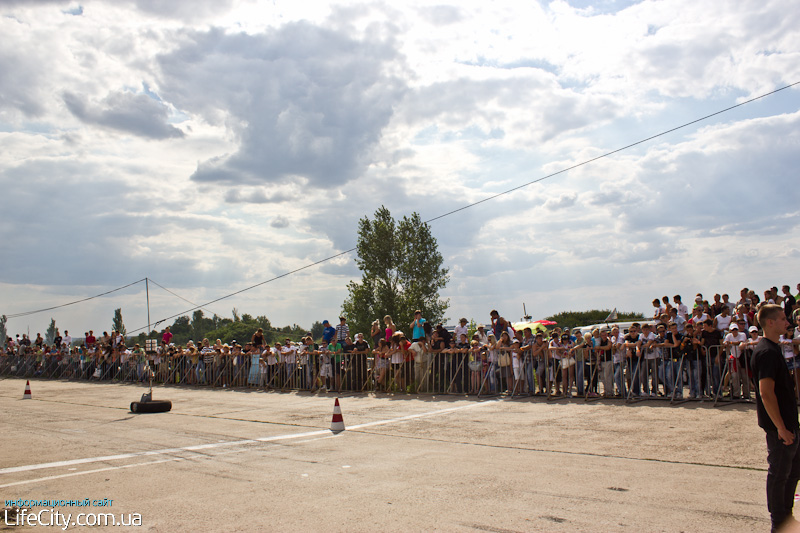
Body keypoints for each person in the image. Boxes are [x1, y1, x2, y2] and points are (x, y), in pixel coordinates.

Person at [751, 304, 800, 532]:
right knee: (780, 473)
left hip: (789, 423)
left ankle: (786, 517)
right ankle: (779, 522)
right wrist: (780, 427)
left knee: (793, 470)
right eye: (782, 319)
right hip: (779, 428)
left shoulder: (774, 348)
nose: (787, 323)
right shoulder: (767, 352)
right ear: (770, 323)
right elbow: (765, 393)